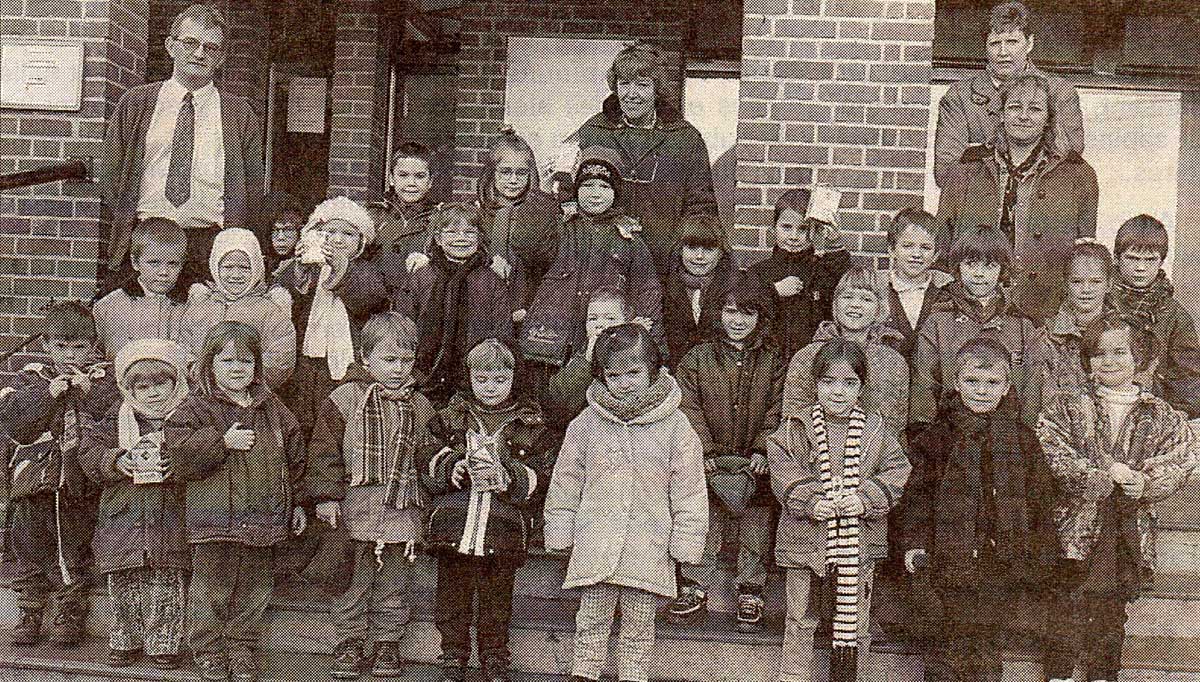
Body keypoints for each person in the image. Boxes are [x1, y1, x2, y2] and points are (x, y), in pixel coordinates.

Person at [544, 323, 707, 682]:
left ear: (654, 371)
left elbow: (690, 488)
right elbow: (566, 480)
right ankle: (584, 673)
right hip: (597, 539)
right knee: (591, 619)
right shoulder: (586, 423)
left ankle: (633, 676)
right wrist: (561, 526)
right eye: (614, 375)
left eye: (634, 373)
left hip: (648, 543)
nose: (625, 383)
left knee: (639, 626)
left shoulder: (676, 426)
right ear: (601, 376)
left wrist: (686, 539)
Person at [1039, 314, 1196, 682]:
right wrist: (1092, 476)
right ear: (1088, 360)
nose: (1108, 361)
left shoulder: (1160, 414)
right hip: (1075, 525)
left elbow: (1180, 458)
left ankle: (1102, 674)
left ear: (1138, 357)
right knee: (1067, 602)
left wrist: (1146, 481)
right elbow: (1050, 446)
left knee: (1111, 609)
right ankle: (1059, 674)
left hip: (1126, 527)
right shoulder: (1067, 404)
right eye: (1099, 354)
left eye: (1119, 352)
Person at [902, 337, 1056, 682]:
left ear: (1007, 387)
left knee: (986, 645)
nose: (982, 390)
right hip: (947, 557)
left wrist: (1038, 550)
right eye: (972, 381)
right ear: (957, 383)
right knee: (946, 644)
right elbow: (917, 497)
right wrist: (915, 544)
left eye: (992, 382)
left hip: (998, 559)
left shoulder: (1021, 439)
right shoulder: (937, 438)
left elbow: (1039, 499)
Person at [165, 322, 307, 682]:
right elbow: (179, 454)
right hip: (215, 518)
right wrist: (221, 442)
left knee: (255, 588)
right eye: (227, 361)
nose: (237, 368)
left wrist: (298, 503)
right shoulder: (195, 407)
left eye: (245, 361)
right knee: (211, 587)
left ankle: (241, 648)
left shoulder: (272, 408)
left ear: (257, 365)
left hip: (264, 515)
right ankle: (209, 650)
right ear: (209, 364)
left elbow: (295, 457)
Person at [305, 312, 440, 681]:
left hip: (402, 509)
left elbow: (429, 455)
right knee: (353, 581)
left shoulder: (421, 406)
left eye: (406, 360)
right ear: (366, 358)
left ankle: (386, 642)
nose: (398, 369)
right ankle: (349, 641)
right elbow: (324, 451)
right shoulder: (345, 398)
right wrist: (326, 497)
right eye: (388, 359)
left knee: (394, 583)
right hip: (356, 507)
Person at [768, 338, 910, 682]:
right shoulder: (796, 426)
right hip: (806, 540)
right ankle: (793, 677)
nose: (838, 391)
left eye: (849, 383)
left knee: (855, 621)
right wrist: (810, 500)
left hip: (857, 542)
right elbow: (782, 466)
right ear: (815, 383)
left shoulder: (875, 429)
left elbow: (897, 469)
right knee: (800, 619)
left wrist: (865, 499)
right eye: (829, 381)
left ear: (861, 386)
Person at [99, 3, 264, 292]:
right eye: (190, 43)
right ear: (171, 46)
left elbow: (251, 188)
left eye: (211, 47)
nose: (200, 53)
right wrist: (139, 229)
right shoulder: (136, 103)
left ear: (220, 58)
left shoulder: (239, 114)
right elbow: (112, 176)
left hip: (209, 248)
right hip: (147, 242)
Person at [424, 338, 553, 682]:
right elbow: (426, 452)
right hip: (455, 525)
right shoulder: (453, 416)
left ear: (514, 378)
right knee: (452, 596)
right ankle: (453, 654)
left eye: (500, 379)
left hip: (502, 528)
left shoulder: (529, 424)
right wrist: (450, 465)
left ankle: (494, 656)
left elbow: (543, 473)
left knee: (497, 601)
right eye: (482, 379)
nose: (490, 387)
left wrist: (511, 477)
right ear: (469, 377)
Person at [669, 275, 784, 633]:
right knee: (704, 520)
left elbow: (778, 407)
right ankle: (693, 584)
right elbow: (687, 406)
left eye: (748, 313)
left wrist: (764, 447)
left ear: (760, 317)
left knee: (756, 525)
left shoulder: (773, 360)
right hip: (710, 458)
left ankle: (751, 590)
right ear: (717, 312)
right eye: (730, 311)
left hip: (754, 460)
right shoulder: (698, 358)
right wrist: (703, 449)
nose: (738, 320)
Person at [937, 71, 1098, 323]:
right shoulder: (966, 169)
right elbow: (942, 244)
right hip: (970, 309)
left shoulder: (1078, 174)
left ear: (1048, 119)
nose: (1023, 116)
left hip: (1046, 311)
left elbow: (1083, 253)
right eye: (1014, 107)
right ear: (1001, 114)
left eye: (1035, 109)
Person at [1, 302, 117, 647]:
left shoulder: (103, 379)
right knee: (29, 544)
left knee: (73, 545)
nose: (70, 355)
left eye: (79, 347)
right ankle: (30, 610)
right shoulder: (32, 377)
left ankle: (70, 610)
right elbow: (15, 422)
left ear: (93, 346)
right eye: (61, 346)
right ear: (46, 345)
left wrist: (88, 391)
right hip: (33, 480)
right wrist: (47, 394)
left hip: (77, 482)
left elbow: (113, 416)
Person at [79, 339, 192, 670]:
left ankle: (164, 643)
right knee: (123, 583)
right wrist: (115, 460)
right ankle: (124, 639)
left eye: (161, 384)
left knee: (167, 584)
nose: (153, 393)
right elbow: (89, 451)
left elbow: (205, 451)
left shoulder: (189, 416)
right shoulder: (118, 419)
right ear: (129, 389)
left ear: (176, 382)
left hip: (170, 516)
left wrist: (179, 464)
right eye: (143, 387)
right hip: (123, 518)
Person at [569, 41, 717, 274]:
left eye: (642, 85)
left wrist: (687, 259)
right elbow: (567, 191)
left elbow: (701, 207)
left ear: (657, 89)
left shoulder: (686, 139)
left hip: (664, 266)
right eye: (624, 84)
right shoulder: (593, 131)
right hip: (602, 263)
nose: (631, 94)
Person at [521, 148, 663, 368]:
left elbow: (648, 291)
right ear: (576, 189)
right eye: (587, 185)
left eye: (604, 187)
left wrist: (648, 344)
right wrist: (544, 194)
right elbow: (527, 245)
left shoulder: (629, 239)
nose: (595, 193)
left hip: (605, 345)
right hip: (551, 342)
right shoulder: (560, 228)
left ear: (615, 193)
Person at [932, 0, 1084, 188]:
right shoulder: (960, 96)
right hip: (980, 201)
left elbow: (1069, 165)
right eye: (995, 43)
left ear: (1029, 43)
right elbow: (946, 173)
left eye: (1012, 42)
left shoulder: (1059, 91)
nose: (1003, 52)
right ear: (985, 47)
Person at [275, 196, 388, 435]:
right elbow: (286, 303)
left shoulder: (367, 270)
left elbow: (369, 299)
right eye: (330, 232)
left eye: (348, 234)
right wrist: (299, 270)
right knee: (305, 416)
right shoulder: (312, 267)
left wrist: (342, 270)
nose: (337, 239)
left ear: (361, 241)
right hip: (308, 360)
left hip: (348, 360)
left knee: (339, 418)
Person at [912, 225, 1043, 428]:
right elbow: (925, 386)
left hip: (1007, 436)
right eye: (971, 264)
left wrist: (1025, 435)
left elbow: (1031, 388)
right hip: (950, 433)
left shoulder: (1021, 325)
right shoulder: (938, 322)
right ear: (958, 267)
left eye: (989, 266)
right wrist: (924, 436)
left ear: (1002, 269)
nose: (979, 274)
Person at [393, 203, 521, 407]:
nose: (461, 238)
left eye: (469, 232)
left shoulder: (491, 280)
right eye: (452, 232)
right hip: (423, 375)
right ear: (438, 238)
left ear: (479, 238)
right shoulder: (422, 277)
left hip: (474, 377)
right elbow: (402, 326)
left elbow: (502, 330)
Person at [785, 266, 910, 438]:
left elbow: (895, 423)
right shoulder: (808, 356)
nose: (855, 305)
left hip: (876, 450)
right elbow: (794, 418)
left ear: (879, 309)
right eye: (848, 297)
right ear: (836, 304)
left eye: (866, 299)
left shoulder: (893, 361)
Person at [179, 227, 296, 389]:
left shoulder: (270, 311)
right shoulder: (200, 308)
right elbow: (184, 350)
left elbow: (282, 357)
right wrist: (200, 374)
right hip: (204, 393)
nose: (235, 275)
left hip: (249, 395)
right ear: (215, 266)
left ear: (256, 267)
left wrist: (243, 381)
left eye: (244, 268)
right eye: (228, 267)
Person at [1107, 214, 1200, 417]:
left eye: (1150, 260)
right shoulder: (1099, 301)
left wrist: (1172, 418)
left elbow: (1187, 380)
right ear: (1116, 258)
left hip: (1151, 412)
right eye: (1132, 258)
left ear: (1161, 262)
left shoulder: (1175, 316)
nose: (1140, 268)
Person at [748, 188, 852, 361]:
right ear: (773, 228)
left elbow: (846, 287)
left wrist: (834, 244)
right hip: (768, 363)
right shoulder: (758, 271)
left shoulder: (822, 269)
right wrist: (774, 291)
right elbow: (745, 309)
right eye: (786, 227)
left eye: (803, 229)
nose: (794, 236)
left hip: (813, 360)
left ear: (814, 231)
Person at [539, 287, 650, 438]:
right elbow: (558, 404)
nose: (599, 325)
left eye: (610, 319)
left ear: (627, 323)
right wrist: (586, 361)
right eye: (592, 319)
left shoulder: (638, 352)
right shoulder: (581, 355)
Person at [475, 128, 560, 309]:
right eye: (505, 172)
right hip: (482, 303)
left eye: (521, 173)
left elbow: (547, 260)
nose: (513, 180)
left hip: (527, 302)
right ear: (492, 173)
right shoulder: (476, 212)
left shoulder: (542, 211)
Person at [93, 218, 190, 362]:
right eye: (154, 263)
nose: (164, 272)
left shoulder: (191, 307)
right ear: (135, 262)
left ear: (182, 265)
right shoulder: (108, 307)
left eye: (173, 264)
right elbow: (94, 356)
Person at [1036, 241, 1117, 407]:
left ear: (1109, 284)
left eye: (1095, 282)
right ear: (1066, 284)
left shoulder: (1123, 333)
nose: (1086, 289)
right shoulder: (1046, 336)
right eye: (1077, 282)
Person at [366, 142, 440, 298]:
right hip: (374, 302)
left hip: (418, 303)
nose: (411, 183)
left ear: (430, 182)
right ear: (391, 179)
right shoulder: (373, 215)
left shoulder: (439, 218)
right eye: (403, 175)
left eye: (419, 176)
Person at [662, 213, 735, 368]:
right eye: (692, 247)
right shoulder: (666, 287)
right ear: (680, 249)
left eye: (709, 249)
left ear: (721, 252)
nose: (699, 256)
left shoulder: (733, 286)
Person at [883, 208, 952, 362]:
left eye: (925, 248)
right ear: (892, 250)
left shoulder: (947, 291)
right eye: (907, 246)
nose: (916, 254)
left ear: (935, 255)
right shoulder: (877, 288)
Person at [252, 190, 306, 278]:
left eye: (288, 230)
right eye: (274, 230)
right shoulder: (258, 263)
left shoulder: (307, 263)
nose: (281, 237)